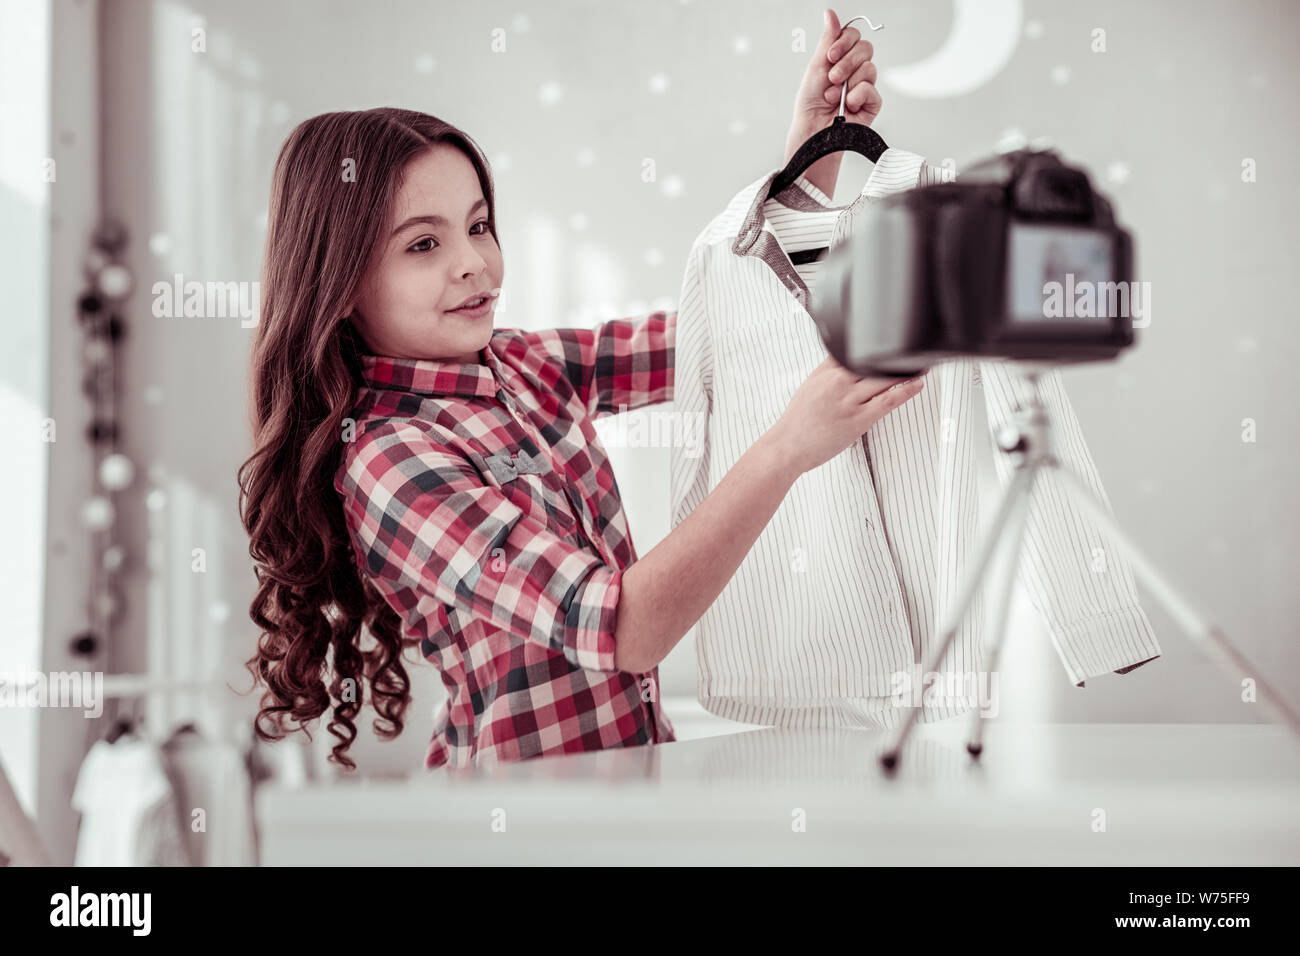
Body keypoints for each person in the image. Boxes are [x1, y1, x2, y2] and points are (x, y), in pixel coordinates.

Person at [239, 10, 927, 770]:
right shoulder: (389, 463)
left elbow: (726, 330)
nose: (474, 263)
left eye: (478, 226)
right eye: (424, 244)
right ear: (339, 285)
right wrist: (786, 451)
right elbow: (625, 629)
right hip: (529, 823)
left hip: (628, 789)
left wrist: (809, 156)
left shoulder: (521, 367)